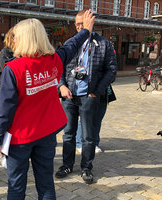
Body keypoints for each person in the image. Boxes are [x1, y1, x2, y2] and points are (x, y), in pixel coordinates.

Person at [0, 11, 95, 199]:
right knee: (46, 182)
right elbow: (71, 46)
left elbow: (4, 110)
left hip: (20, 137)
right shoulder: (54, 59)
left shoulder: (13, 69)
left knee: (16, 186)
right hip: (47, 133)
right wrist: (86, 30)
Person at [55, 10, 117, 184]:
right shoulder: (70, 43)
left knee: (88, 135)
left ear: (91, 22)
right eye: (77, 24)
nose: (79, 27)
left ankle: (86, 167)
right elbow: (57, 66)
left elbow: (111, 70)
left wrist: (96, 91)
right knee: (68, 134)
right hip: (69, 96)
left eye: (82, 23)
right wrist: (62, 86)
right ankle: (67, 165)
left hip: (89, 97)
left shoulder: (103, 44)